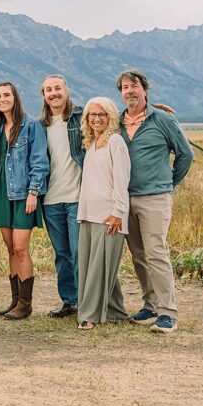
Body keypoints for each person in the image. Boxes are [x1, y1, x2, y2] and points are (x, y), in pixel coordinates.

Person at [117, 69, 194, 334]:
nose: (130, 91)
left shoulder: (163, 119)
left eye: (134, 86)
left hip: (154, 198)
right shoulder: (116, 122)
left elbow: (185, 154)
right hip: (125, 200)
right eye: (125, 87)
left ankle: (168, 313)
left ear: (145, 90)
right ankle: (150, 305)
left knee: (156, 252)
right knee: (138, 254)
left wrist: (169, 184)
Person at [0, 81, 49, 320]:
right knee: (10, 247)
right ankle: (14, 300)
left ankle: (26, 303)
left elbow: (40, 162)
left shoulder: (31, 126)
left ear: (15, 97)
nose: (2, 99)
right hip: (1, 194)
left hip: (23, 194)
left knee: (21, 248)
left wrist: (34, 192)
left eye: (6, 95)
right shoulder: (0, 128)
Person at [76, 97, 131, 330]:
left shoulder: (115, 142)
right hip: (89, 213)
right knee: (93, 264)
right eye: (92, 115)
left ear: (110, 117)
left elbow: (122, 181)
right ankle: (115, 311)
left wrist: (118, 212)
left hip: (109, 215)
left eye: (102, 115)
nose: (96, 119)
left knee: (99, 266)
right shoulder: (92, 143)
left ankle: (89, 315)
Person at [39, 75, 84, 318]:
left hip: (78, 197)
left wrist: (154, 108)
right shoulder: (40, 125)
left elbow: (110, 119)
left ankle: (85, 301)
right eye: (48, 90)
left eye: (58, 88)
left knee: (79, 252)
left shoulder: (82, 116)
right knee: (62, 254)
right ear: (43, 95)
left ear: (66, 90)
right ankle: (69, 301)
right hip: (51, 199)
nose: (54, 93)